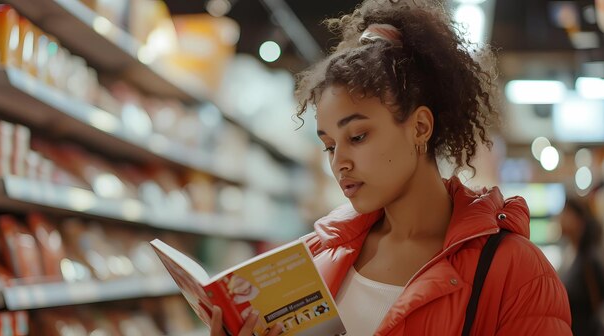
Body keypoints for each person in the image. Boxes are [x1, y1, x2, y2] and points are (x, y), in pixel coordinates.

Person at [209, 0, 572, 335]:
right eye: (329, 145)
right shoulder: (316, 261)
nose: (339, 162)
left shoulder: (517, 273)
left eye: (358, 136)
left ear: (420, 127)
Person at [559, 198, 604, 336]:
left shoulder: (589, 260)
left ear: (580, 221)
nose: (561, 218)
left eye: (566, 212)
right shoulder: (569, 253)